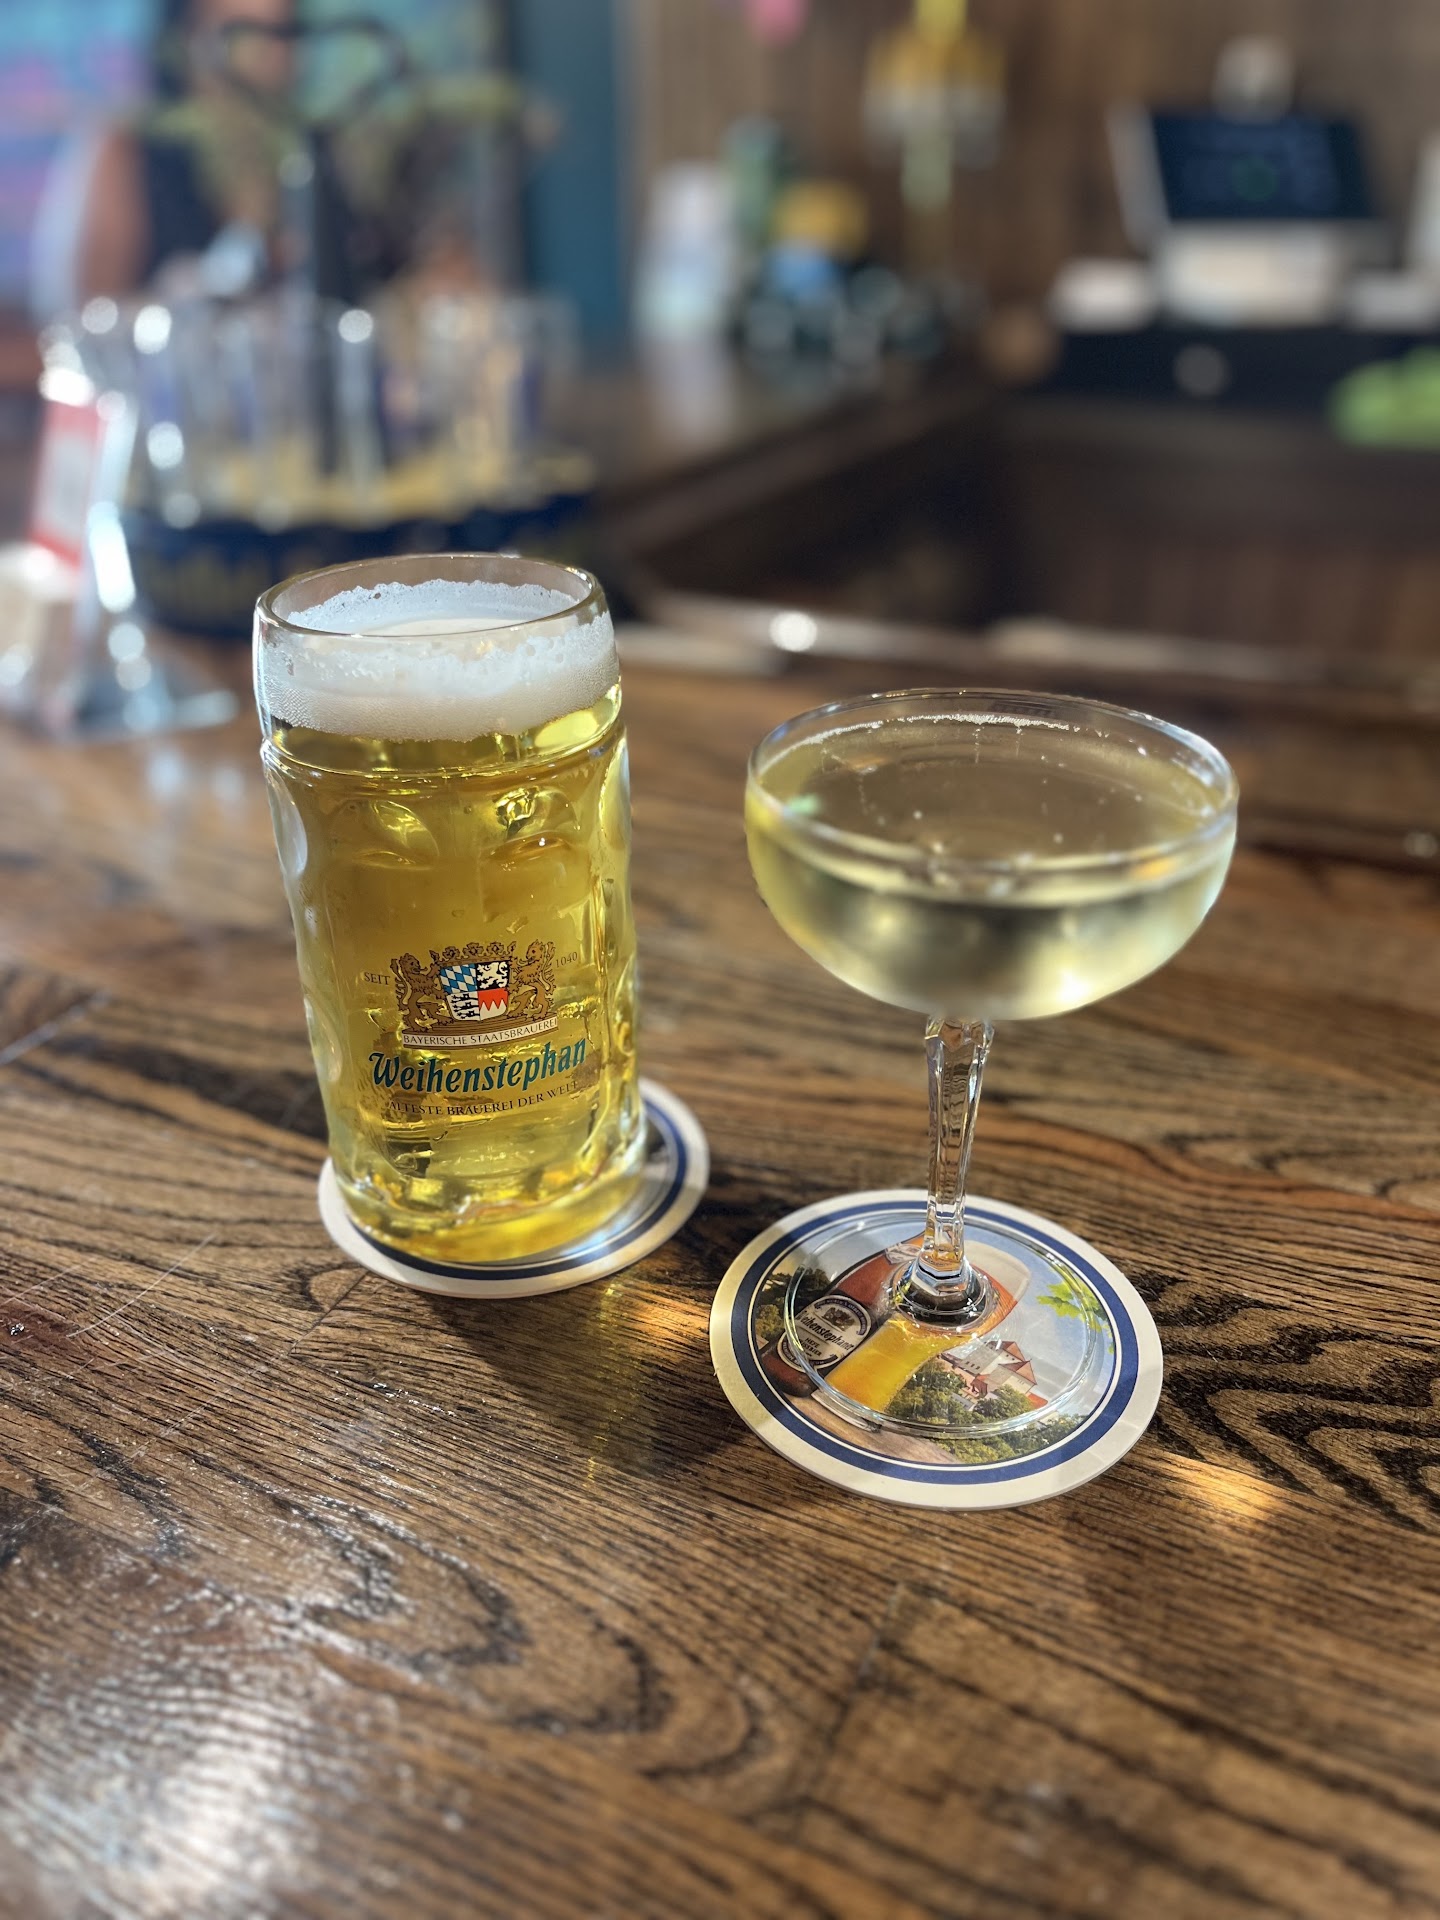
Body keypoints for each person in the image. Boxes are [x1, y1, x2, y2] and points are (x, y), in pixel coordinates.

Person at [31, 0, 298, 318]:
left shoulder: (302, 156)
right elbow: (79, 314)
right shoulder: (126, 148)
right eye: (240, 30)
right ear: (186, 35)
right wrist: (178, 299)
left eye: (282, 32)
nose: (267, 51)